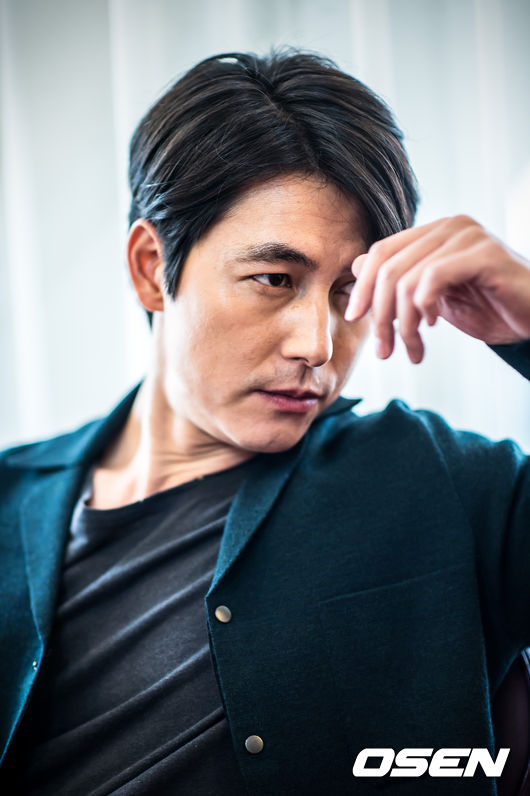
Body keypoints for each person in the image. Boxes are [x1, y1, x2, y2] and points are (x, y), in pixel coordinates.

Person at [0, 48, 529, 796]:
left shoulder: (440, 479)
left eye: (348, 292)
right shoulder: (10, 499)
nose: (318, 345)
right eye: (274, 279)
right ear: (152, 267)